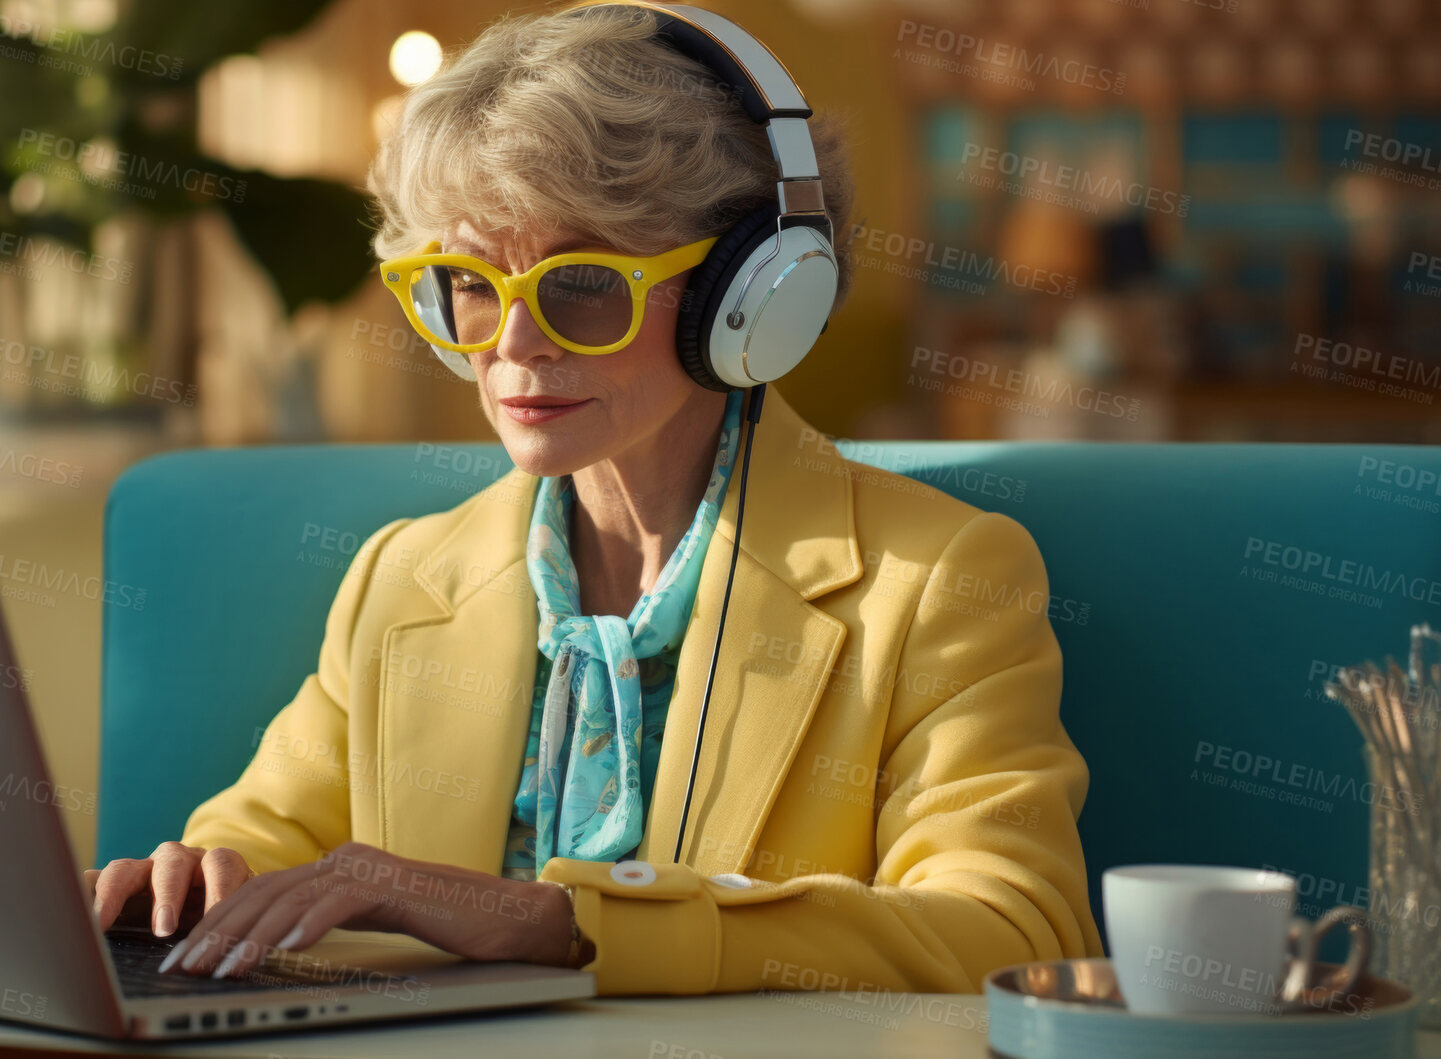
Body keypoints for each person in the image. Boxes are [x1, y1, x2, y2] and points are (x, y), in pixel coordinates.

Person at [87, 1, 1103, 995]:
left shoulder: (936, 581)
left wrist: (553, 920)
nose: (513, 345)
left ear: (749, 294)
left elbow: (1007, 931)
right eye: (470, 284)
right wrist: (195, 885)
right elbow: (266, 839)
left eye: (580, 284)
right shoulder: (401, 576)